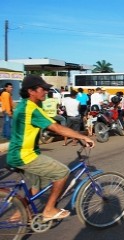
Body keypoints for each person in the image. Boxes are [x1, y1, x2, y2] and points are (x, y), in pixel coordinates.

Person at [6, 75, 94, 222]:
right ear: (31, 91)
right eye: (43, 89)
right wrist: (82, 137)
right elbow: (56, 127)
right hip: (25, 155)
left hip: (19, 153)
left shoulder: (26, 104)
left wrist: (72, 135)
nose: (46, 91)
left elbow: (49, 127)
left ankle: (20, 212)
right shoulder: (31, 109)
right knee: (62, 172)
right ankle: (49, 210)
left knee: (36, 186)